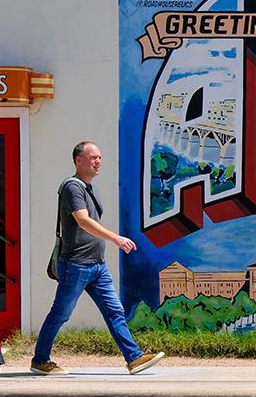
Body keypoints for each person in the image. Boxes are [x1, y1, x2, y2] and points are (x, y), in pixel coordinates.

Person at [31, 141, 165, 375]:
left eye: (100, 158)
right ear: (78, 160)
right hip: (76, 264)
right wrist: (116, 238)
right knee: (60, 313)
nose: (98, 162)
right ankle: (40, 359)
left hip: (97, 266)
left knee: (114, 312)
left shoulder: (89, 187)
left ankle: (134, 358)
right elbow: (82, 220)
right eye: (93, 157)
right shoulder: (73, 187)